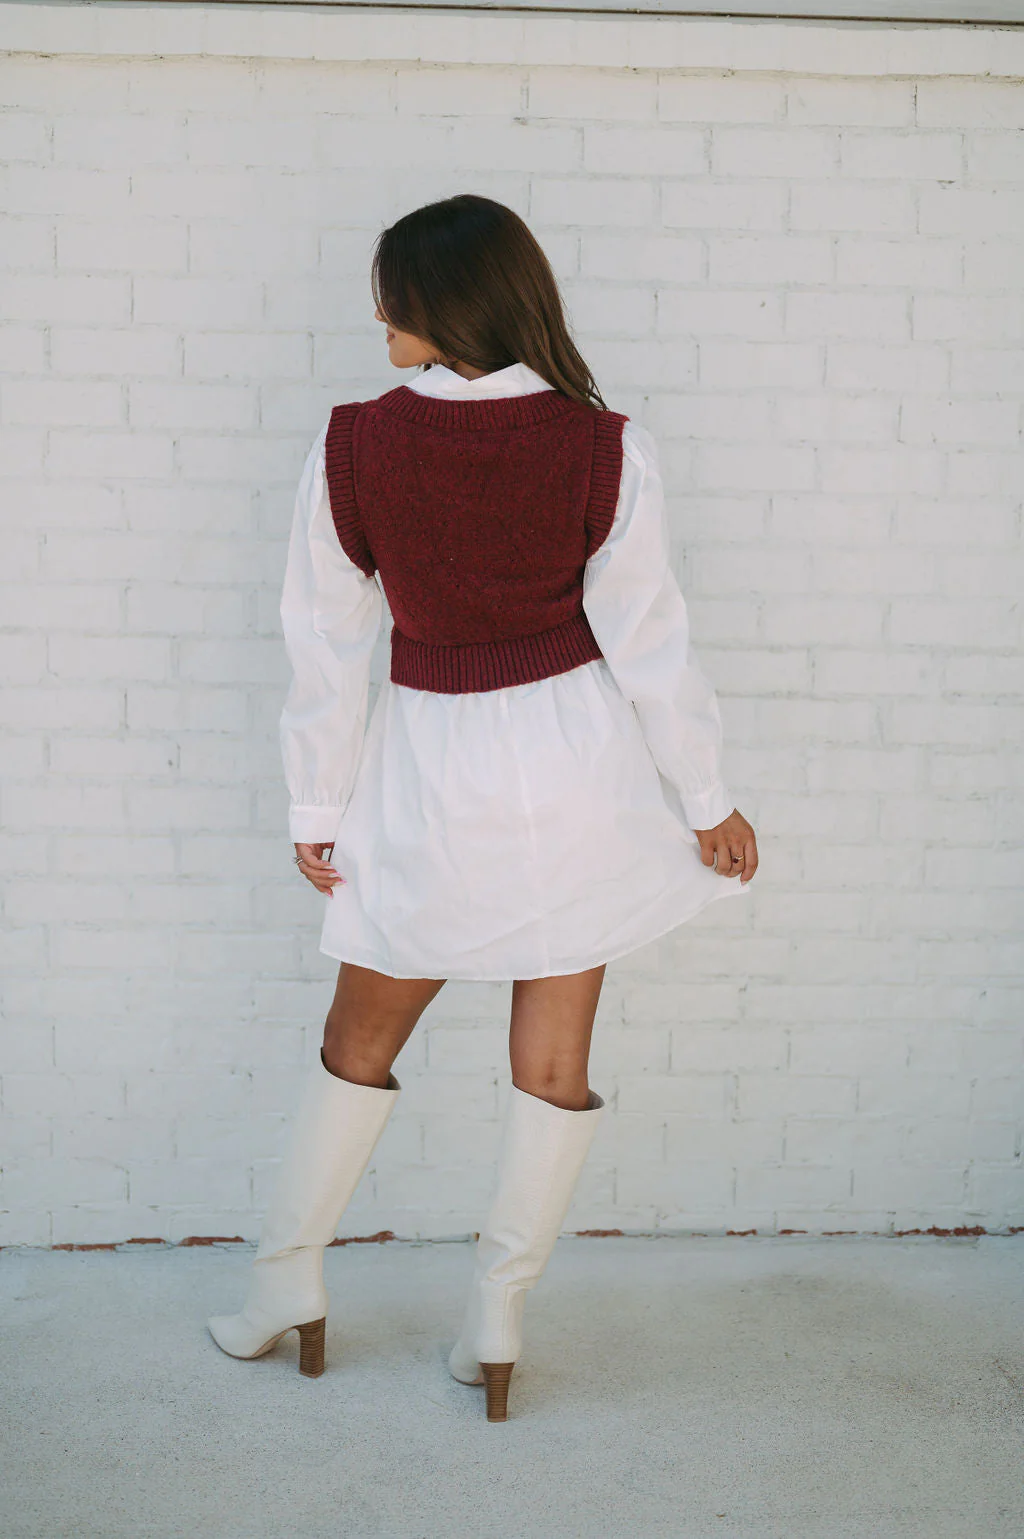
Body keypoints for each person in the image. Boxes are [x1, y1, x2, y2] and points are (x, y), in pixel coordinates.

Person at [207, 193, 758, 1421]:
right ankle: (497, 1319)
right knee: (554, 1060)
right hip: (580, 774)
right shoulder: (604, 442)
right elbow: (650, 639)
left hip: (426, 776)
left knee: (359, 1039)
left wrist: (317, 803)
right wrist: (705, 797)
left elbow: (325, 643)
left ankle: (282, 1287)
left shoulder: (354, 444)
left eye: (391, 297)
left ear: (439, 306)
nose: (378, 318)